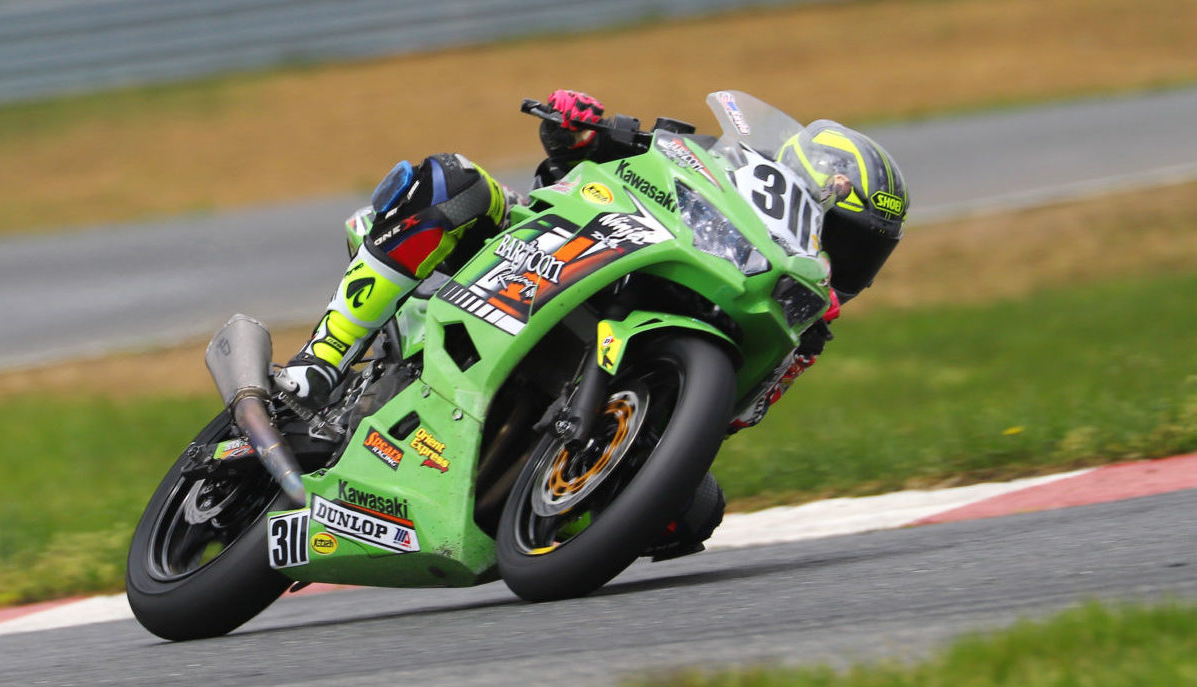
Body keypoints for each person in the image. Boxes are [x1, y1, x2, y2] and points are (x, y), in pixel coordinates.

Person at [274, 88, 909, 556]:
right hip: (540, 259)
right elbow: (575, 170)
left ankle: (539, 505)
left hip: (608, 402)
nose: (843, 261)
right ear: (789, 184)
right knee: (455, 183)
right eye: (840, 237)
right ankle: (323, 360)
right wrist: (580, 130)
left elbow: (728, 417)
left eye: (862, 251)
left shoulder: (800, 329)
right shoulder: (708, 176)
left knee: (696, 513)